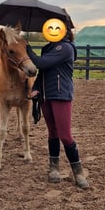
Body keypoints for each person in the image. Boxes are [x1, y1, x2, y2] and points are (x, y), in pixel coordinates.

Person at [25, 22, 89, 189]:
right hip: (46, 96)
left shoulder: (66, 48)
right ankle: (54, 168)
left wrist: (27, 49)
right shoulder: (47, 48)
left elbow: (41, 63)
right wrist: (36, 88)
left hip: (61, 95)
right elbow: (43, 72)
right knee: (52, 132)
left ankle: (78, 172)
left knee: (65, 135)